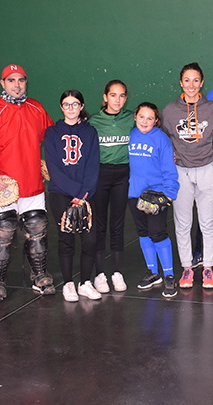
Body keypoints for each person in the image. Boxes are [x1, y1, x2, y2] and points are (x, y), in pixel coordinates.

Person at [0, 64, 54, 303]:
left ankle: (40, 276)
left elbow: (53, 136)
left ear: (26, 82)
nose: (16, 84)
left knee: (37, 229)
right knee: (3, 232)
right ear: (2, 83)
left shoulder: (37, 108)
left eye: (21, 80)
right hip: (3, 186)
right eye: (11, 80)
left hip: (32, 183)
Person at [161, 63, 213, 289]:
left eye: (196, 80)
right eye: (187, 80)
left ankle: (208, 267)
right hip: (181, 171)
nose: (191, 85)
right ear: (181, 83)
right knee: (182, 223)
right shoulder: (169, 110)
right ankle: (187, 267)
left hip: (207, 169)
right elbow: (163, 137)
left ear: (202, 82)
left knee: (208, 223)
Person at [44, 90, 101, 301]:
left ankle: (85, 282)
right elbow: (54, 169)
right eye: (66, 104)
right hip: (61, 193)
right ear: (61, 107)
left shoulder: (90, 132)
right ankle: (68, 283)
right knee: (66, 238)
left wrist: (83, 194)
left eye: (75, 104)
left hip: (85, 193)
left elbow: (93, 165)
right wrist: (76, 193)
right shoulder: (51, 132)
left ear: (81, 106)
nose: (71, 108)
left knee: (90, 240)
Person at [129, 102, 180, 298]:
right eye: (141, 117)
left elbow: (169, 168)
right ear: (135, 117)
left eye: (150, 118)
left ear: (156, 121)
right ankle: (153, 272)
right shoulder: (130, 135)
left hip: (157, 194)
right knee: (143, 232)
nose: (145, 121)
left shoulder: (161, 139)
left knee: (158, 233)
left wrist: (169, 194)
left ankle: (169, 275)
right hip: (135, 194)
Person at [88, 80, 133, 293]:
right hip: (100, 175)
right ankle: (99, 274)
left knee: (117, 223)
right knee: (99, 225)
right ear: (105, 97)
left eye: (122, 95)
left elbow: (153, 125)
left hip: (122, 175)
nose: (118, 100)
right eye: (113, 95)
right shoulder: (93, 121)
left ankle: (116, 271)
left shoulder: (131, 118)